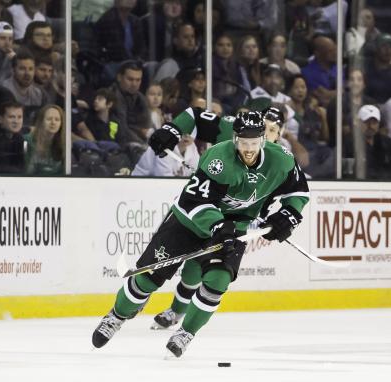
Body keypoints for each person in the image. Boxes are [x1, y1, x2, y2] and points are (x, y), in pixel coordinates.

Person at [92, 110, 310, 357]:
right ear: (235, 138)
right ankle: (116, 316)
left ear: (264, 140)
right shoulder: (218, 158)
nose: (249, 149)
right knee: (147, 279)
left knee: (218, 281)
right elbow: (194, 202)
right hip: (189, 223)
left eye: (254, 143)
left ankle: (185, 332)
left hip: (233, 230)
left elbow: (299, 191)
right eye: (243, 143)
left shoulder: (281, 159)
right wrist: (218, 225)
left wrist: (289, 215)